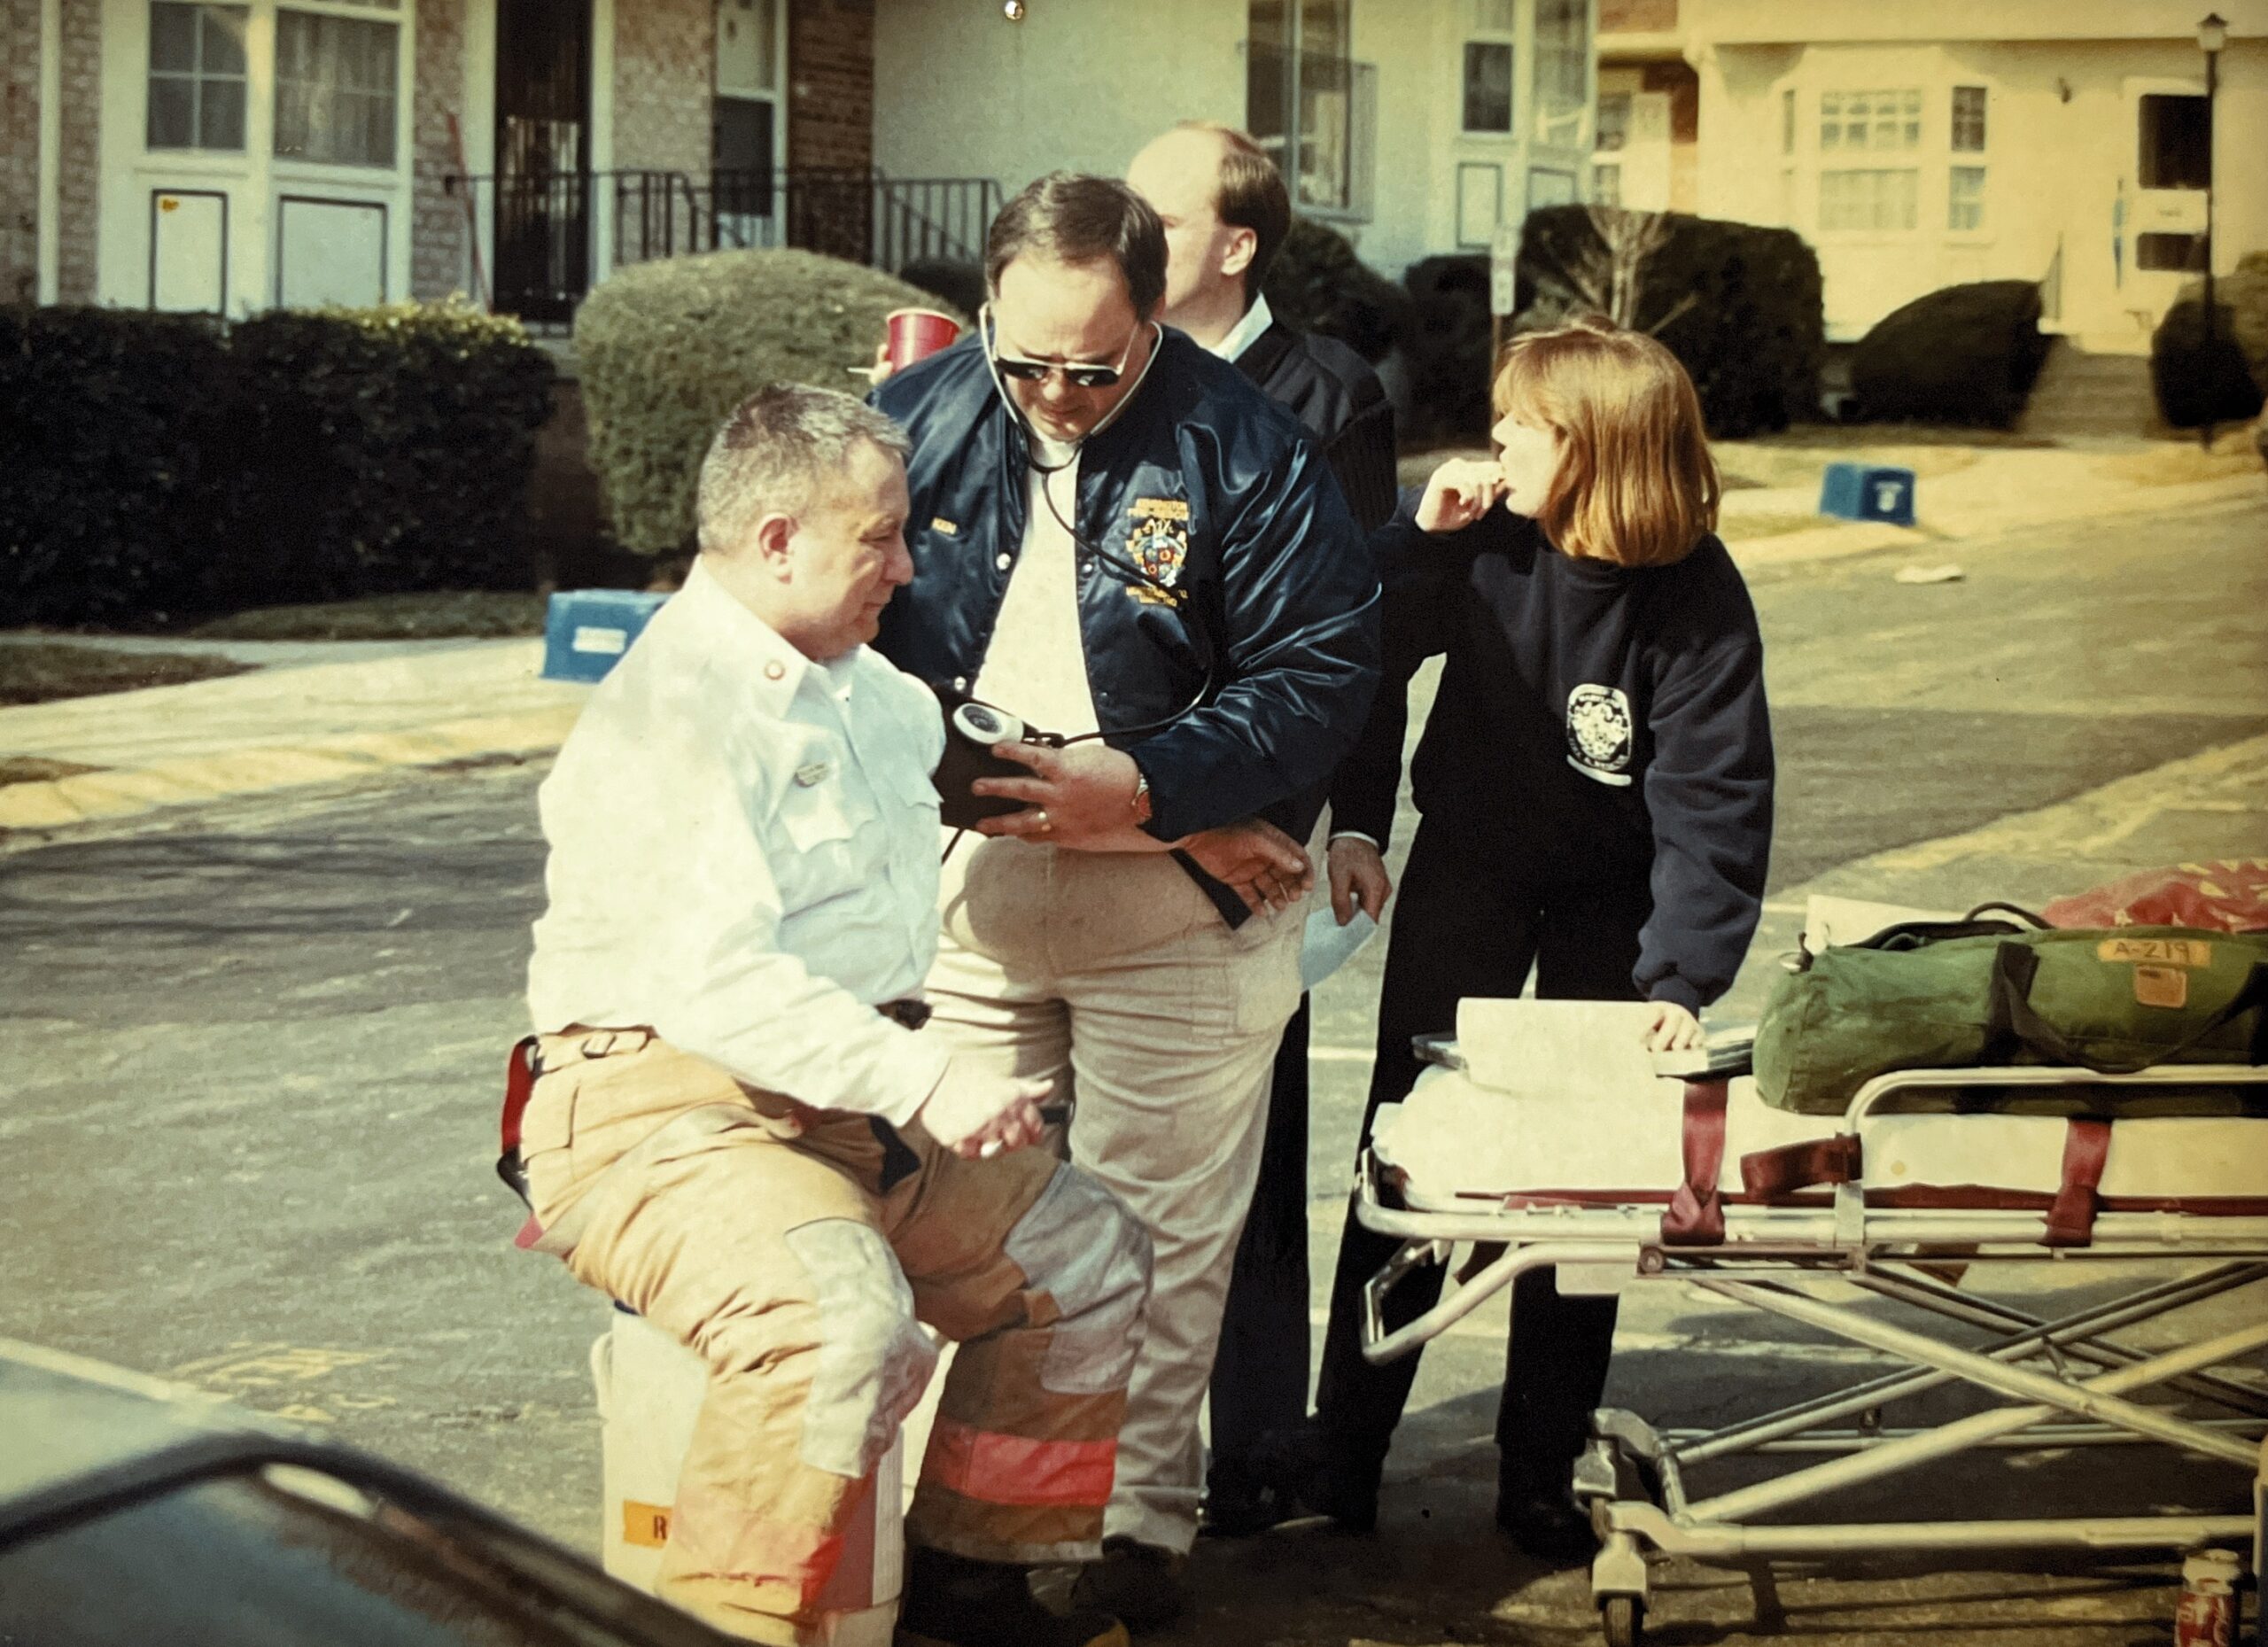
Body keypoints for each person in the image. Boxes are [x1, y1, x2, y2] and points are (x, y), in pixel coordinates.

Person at [517, 383, 1153, 1647]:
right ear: (777, 542)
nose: (907, 567)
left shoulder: (866, 690)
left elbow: (1010, 777)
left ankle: (971, 1588)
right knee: (833, 1325)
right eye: (880, 538)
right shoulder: (675, 716)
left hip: (837, 1106)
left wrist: (1204, 819)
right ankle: (724, 1631)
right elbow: (715, 984)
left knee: (1087, 1260)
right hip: (664, 1110)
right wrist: (930, 1080)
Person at [869, 172, 1380, 1629]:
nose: (1054, 395)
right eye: (1022, 359)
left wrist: (1152, 790)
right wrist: (1148, 811)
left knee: (1155, 1243)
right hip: (981, 899)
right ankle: (962, 1531)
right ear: (983, 308)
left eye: (1093, 369)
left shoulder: (1249, 446)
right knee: (962, 1228)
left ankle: (1125, 1529)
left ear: (1154, 318)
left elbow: (1324, 673)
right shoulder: (912, 426)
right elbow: (842, 654)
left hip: (1174, 930)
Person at [1290, 318, 1775, 1558]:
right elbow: (1357, 647)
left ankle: (1541, 1465)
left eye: (1522, 423)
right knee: (1408, 1149)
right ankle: (1344, 1451)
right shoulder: (1479, 538)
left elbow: (1714, 794)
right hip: (1473, 871)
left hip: (1613, 900)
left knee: (1583, 1176)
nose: (1494, 437)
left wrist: (1681, 976)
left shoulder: (1696, 591)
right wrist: (1416, 542)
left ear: (1595, 448)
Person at [1122, 120, 1398, 1539]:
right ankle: (1100, 1460)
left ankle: (1255, 1452)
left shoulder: (1326, 394)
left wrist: (1359, 817)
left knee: (1250, 1145)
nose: (1126, 238)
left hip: (1258, 831)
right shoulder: (1104, 372)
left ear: (1235, 245)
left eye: (1158, 219)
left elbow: (1361, 634)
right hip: (1111, 816)